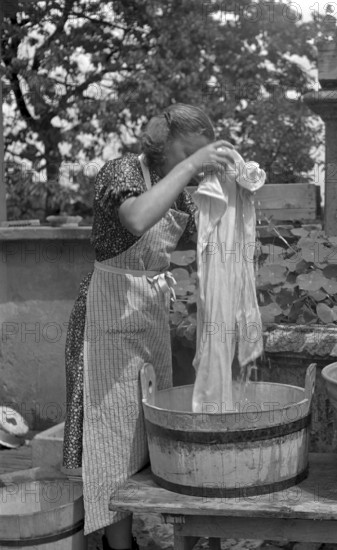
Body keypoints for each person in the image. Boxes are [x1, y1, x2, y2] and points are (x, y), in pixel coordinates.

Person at [62, 103, 235, 550]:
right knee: (113, 434)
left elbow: (210, 242)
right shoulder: (121, 172)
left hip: (151, 313)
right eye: (186, 152)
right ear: (163, 141)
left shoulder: (179, 191)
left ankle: (158, 535)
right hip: (107, 318)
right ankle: (118, 545)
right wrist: (196, 164)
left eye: (197, 156)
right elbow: (137, 218)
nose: (191, 165)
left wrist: (238, 191)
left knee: (148, 429)